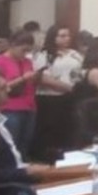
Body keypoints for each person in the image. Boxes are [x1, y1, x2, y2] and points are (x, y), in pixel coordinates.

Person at [32, 25, 83, 158]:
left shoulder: (74, 54)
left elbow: (78, 73)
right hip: (50, 98)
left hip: (69, 98)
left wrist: (76, 86)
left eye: (68, 36)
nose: (67, 39)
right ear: (53, 37)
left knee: (68, 129)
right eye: (62, 36)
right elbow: (42, 78)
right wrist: (67, 87)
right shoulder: (44, 55)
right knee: (50, 132)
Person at [0, 31, 40, 158]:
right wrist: (22, 78)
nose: (25, 54)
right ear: (12, 45)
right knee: (11, 144)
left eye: (28, 51)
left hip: (29, 106)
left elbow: (31, 84)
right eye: (23, 50)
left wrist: (35, 78)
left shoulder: (27, 62)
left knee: (25, 144)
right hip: (9, 108)